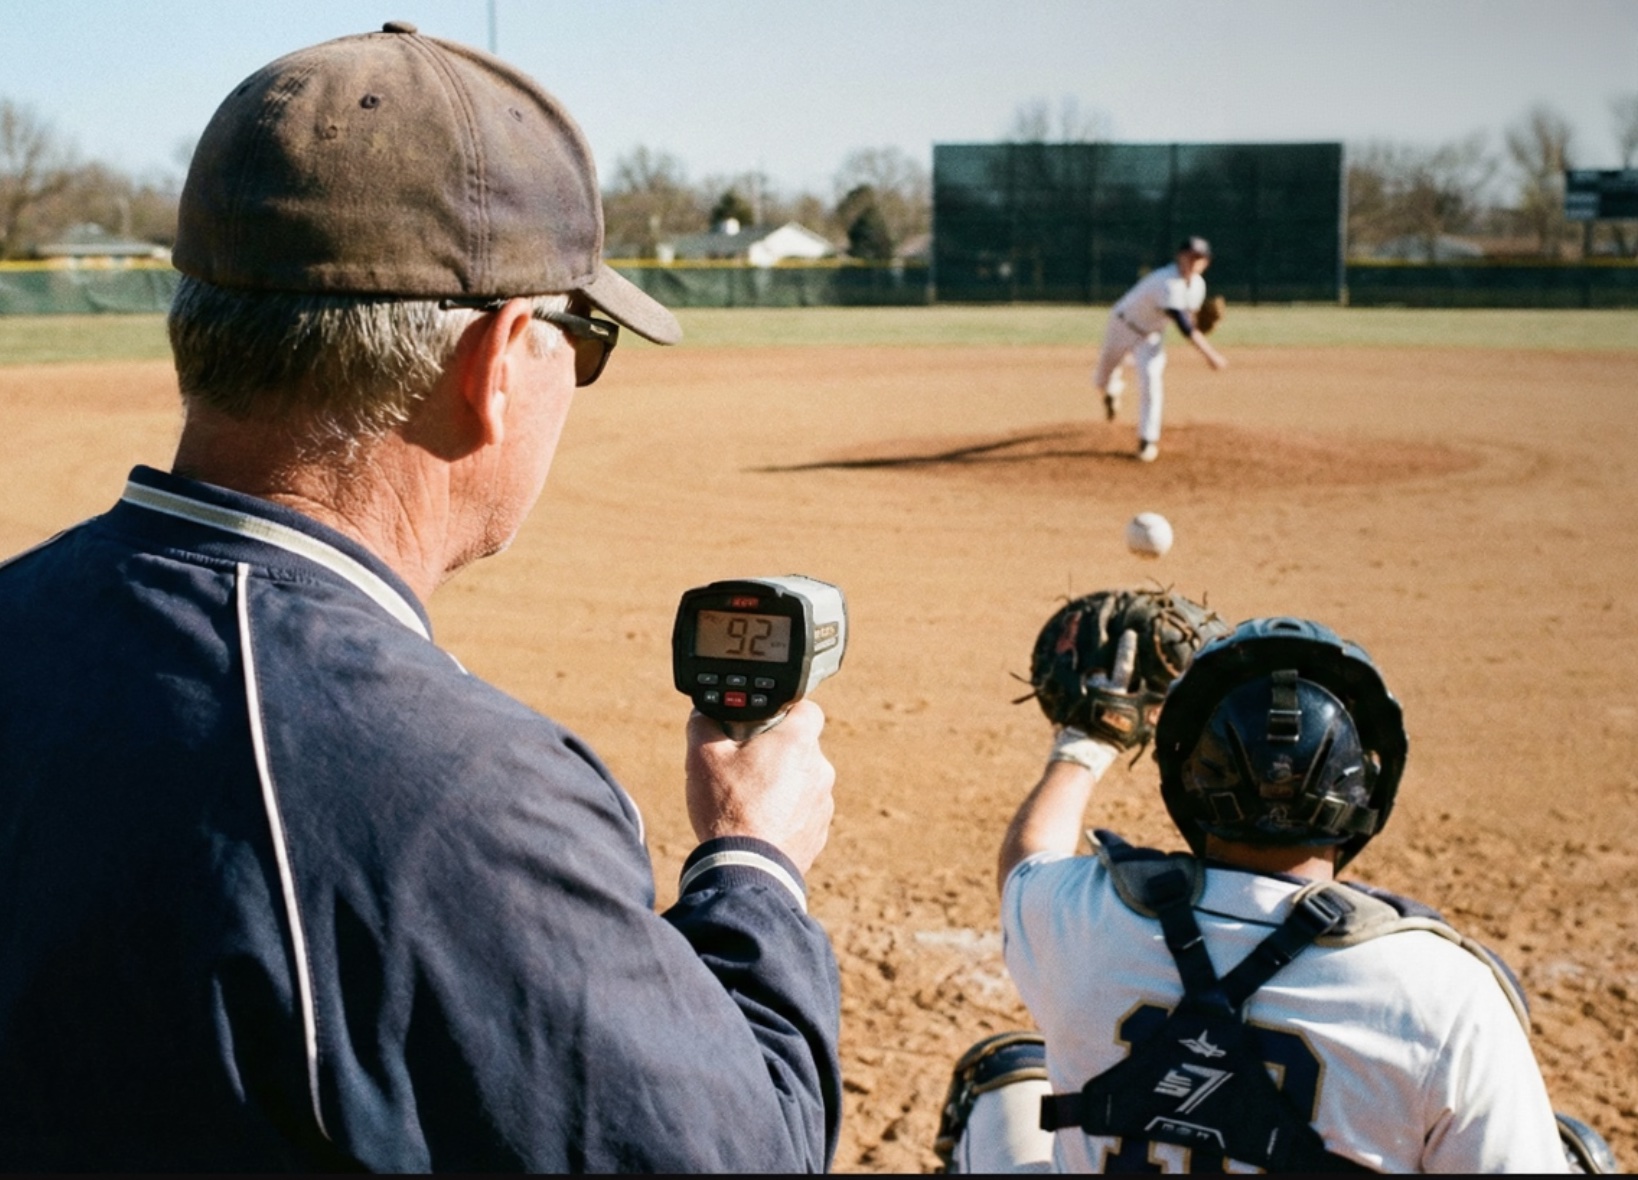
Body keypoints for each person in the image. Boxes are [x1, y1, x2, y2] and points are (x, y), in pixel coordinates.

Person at [0, 24, 841, 1172]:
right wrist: (754, 866)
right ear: (495, 361)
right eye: (583, 338)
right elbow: (739, 1152)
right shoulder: (459, 797)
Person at [936, 616, 1597, 1173]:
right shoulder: (1444, 990)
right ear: (1366, 792)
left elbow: (1028, 861)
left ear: (1187, 778)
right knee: (1572, 1154)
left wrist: (1086, 743)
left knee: (1007, 1082)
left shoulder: (1082, 916)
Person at [1092, 236, 1227, 463]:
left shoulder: (1198, 286)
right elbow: (1184, 326)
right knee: (1100, 381)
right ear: (1180, 257)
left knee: (1151, 380)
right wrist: (1210, 355)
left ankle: (1147, 440)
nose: (1194, 261)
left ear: (1206, 262)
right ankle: (1111, 390)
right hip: (1122, 325)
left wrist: (1199, 326)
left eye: (1199, 258)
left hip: (1150, 336)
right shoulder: (1167, 281)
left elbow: (1189, 319)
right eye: (1190, 256)